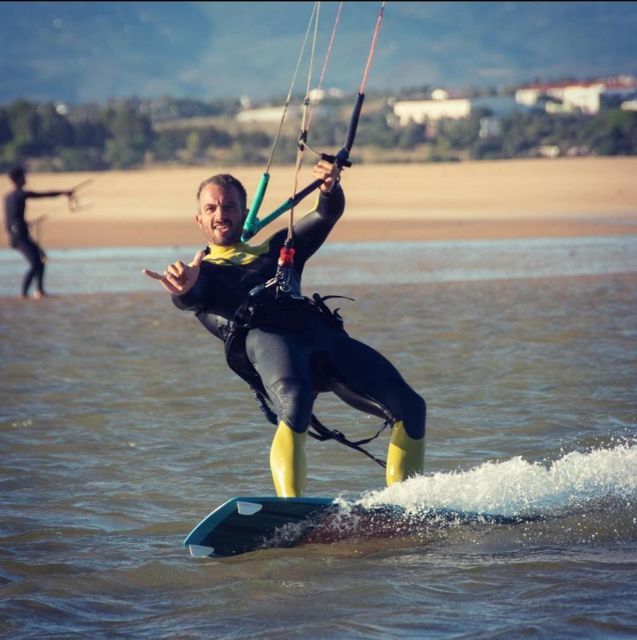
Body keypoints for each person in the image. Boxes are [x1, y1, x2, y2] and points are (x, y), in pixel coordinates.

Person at [144, 159, 426, 496]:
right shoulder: (201, 273)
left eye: (229, 205)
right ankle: (291, 508)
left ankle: (407, 504)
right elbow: (191, 299)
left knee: (412, 407)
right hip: (266, 341)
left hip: (319, 336)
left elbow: (325, 215)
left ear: (244, 211)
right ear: (199, 219)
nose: (220, 213)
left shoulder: (277, 248)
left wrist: (329, 188)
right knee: (295, 398)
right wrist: (184, 289)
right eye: (211, 207)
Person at [4, 166, 74, 298]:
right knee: (36, 262)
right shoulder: (20, 194)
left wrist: (25, 224)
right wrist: (65, 192)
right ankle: (23, 294)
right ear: (18, 179)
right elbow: (44, 195)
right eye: (24, 176)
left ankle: (39, 291)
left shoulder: (8, 197)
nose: (26, 178)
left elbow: (11, 218)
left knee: (42, 258)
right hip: (19, 237)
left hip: (18, 235)